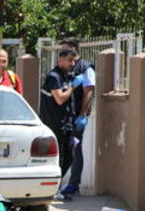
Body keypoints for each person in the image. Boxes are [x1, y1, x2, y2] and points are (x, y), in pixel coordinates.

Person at [58, 38, 96, 200]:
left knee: (74, 147)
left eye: (65, 50)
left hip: (77, 116)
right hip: (66, 115)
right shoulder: (67, 67)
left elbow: (88, 91)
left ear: (73, 50)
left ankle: (74, 184)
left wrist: (82, 115)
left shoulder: (85, 68)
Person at [39, 48, 81, 178]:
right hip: (54, 125)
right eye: (69, 60)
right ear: (60, 60)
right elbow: (60, 99)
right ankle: (54, 187)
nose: (72, 64)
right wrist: (73, 87)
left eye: (74, 61)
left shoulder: (64, 76)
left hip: (65, 125)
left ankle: (56, 185)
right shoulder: (54, 77)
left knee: (69, 156)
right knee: (60, 158)